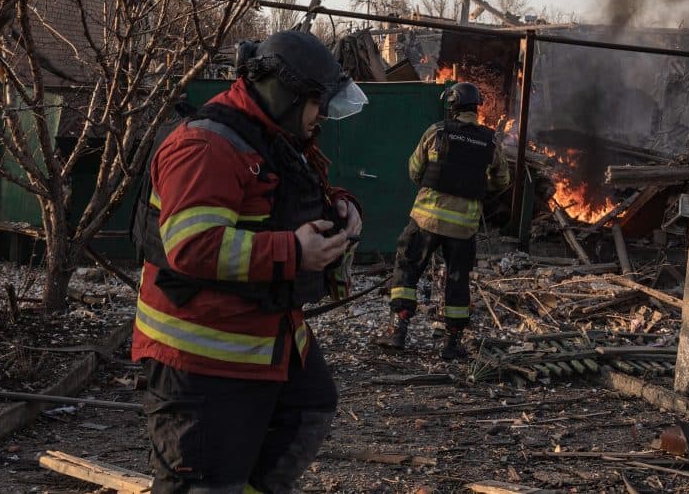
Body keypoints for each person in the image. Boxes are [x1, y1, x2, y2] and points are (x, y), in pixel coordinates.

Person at [131, 30, 367, 493]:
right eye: (316, 103)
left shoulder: (272, 134)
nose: (321, 116)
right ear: (285, 94)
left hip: (267, 335)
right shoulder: (206, 147)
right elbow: (193, 245)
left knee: (308, 411)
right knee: (205, 482)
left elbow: (283, 196)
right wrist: (294, 251)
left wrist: (341, 205)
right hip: (201, 356)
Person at [377, 82, 510, 360]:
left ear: (452, 106)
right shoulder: (490, 142)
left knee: (407, 269)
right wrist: (475, 187)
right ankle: (452, 343)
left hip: (426, 219)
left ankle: (398, 330)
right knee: (457, 280)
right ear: (476, 108)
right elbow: (502, 181)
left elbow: (415, 169)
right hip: (464, 227)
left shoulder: (437, 132)